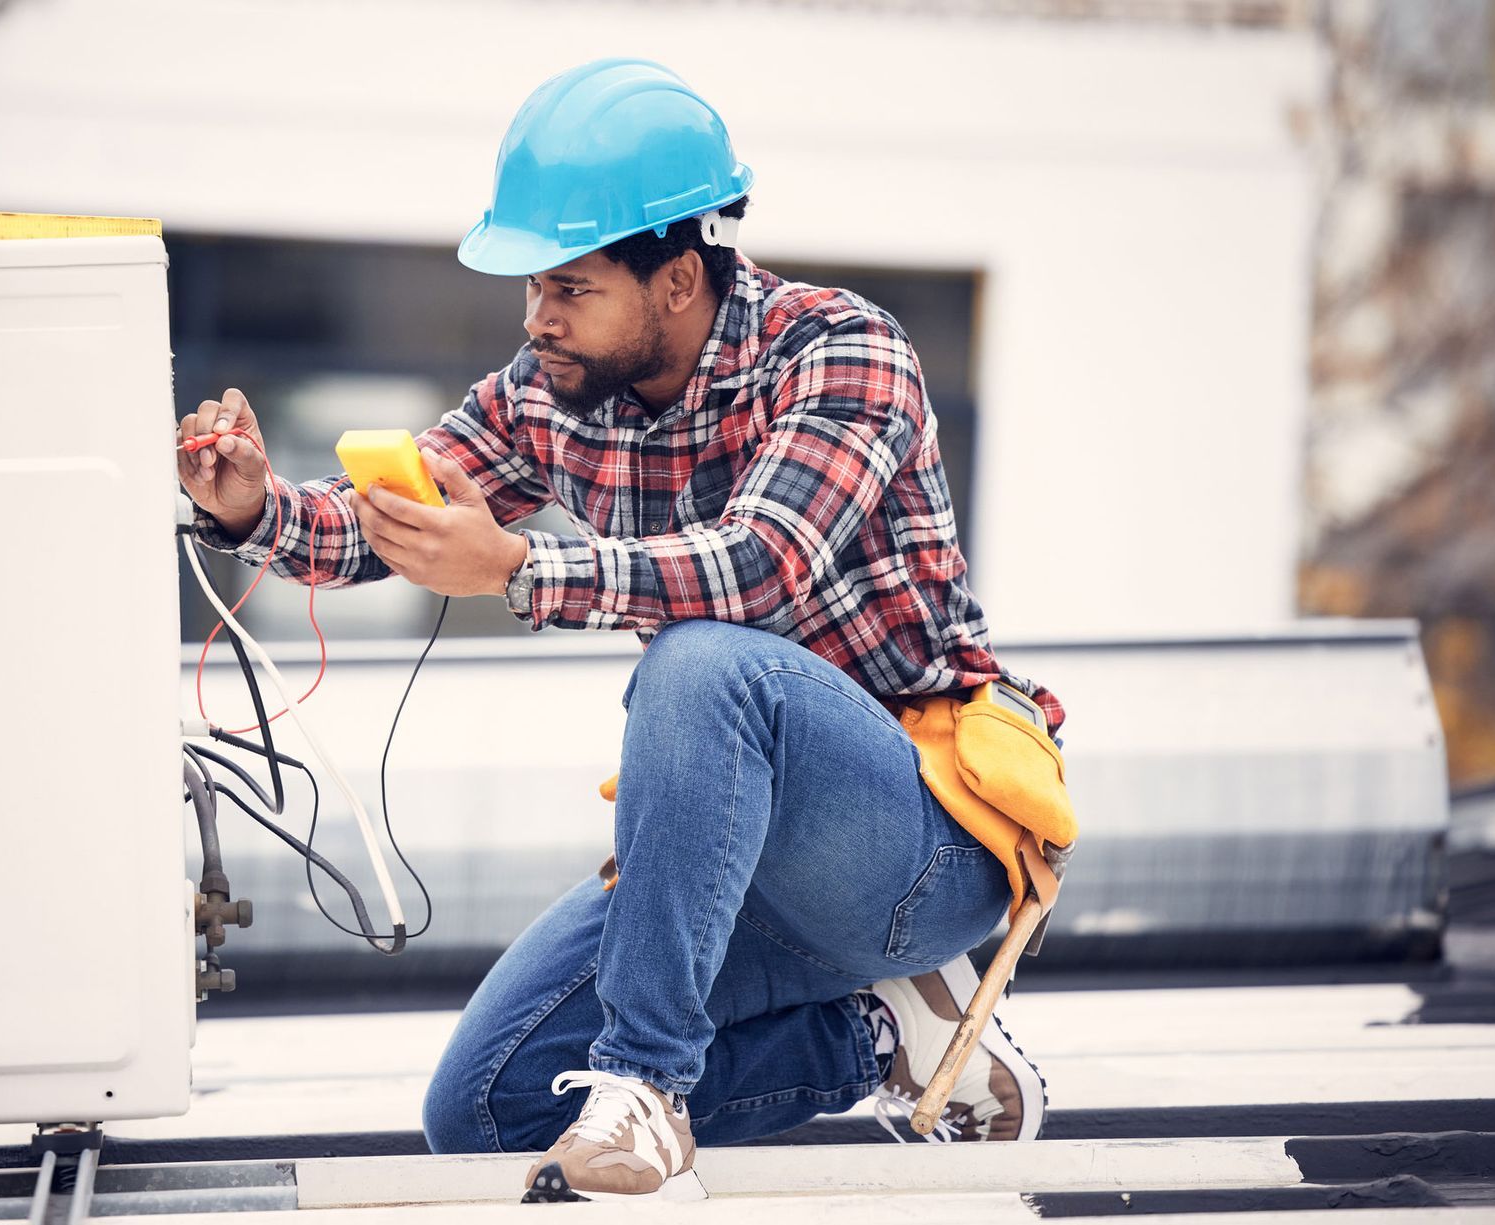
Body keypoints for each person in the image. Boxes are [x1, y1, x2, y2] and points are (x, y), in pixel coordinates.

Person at [177, 58, 1061, 1204]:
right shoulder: (549, 390)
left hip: (913, 845)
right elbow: (393, 524)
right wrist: (252, 506)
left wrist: (523, 569)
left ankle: (644, 1099)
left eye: (570, 288)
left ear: (680, 277)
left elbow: (757, 568)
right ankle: (889, 1039)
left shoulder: (842, 354)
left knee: (702, 663)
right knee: (484, 1108)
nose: (538, 321)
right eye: (530, 289)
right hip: (738, 878)